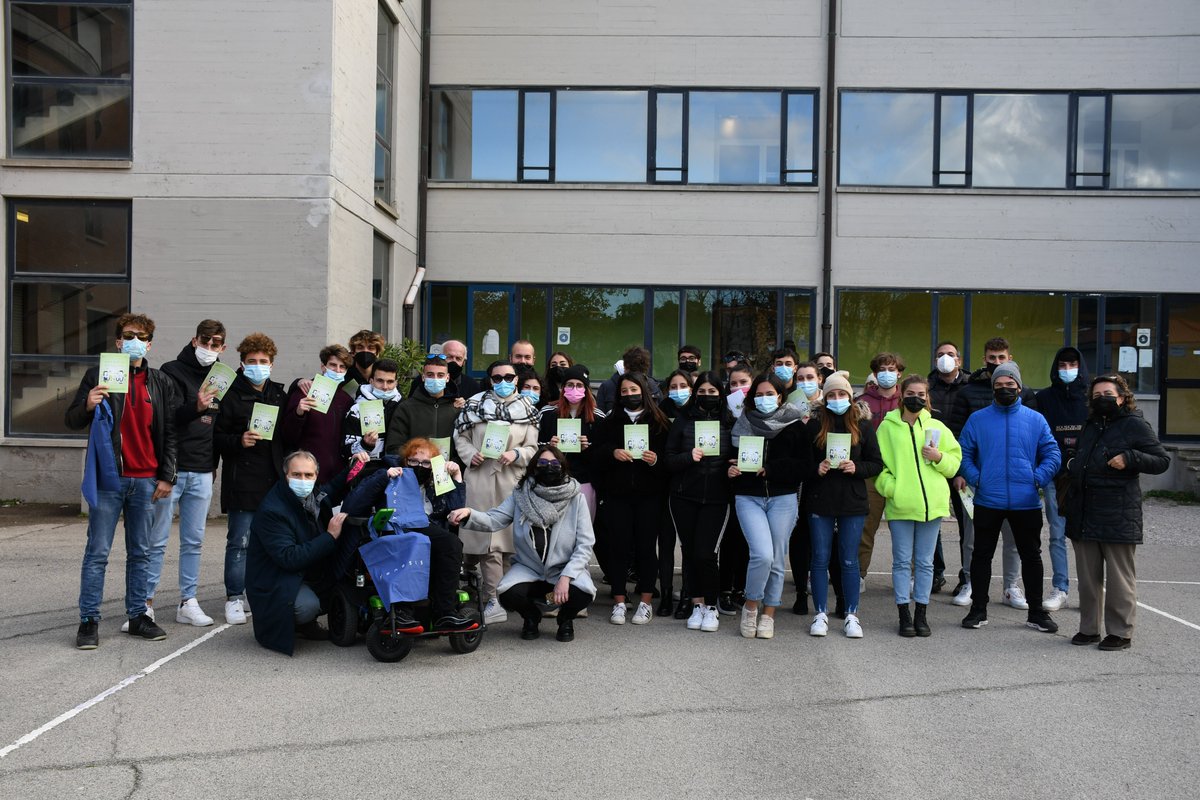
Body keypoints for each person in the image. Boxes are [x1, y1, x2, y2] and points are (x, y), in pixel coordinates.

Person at [69, 313, 179, 649]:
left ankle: (137, 616)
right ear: (118, 341)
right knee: (98, 552)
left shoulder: (159, 382)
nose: (134, 341)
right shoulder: (98, 375)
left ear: (149, 344)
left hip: (146, 480)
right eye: (128, 336)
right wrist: (88, 404)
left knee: (141, 552)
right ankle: (89, 621)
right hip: (108, 479)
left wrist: (167, 476)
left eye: (141, 336)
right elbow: (71, 419)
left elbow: (170, 432)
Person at [1061, 375, 1169, 651]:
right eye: (1096, 395)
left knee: (1120, 578)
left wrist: (1131, 458)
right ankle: (1089, 629)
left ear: (1121, 397)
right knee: (1087, 578)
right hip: (1085, 511)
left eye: (1107, 393)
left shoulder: (1134, 424)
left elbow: (1161, 460)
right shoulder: (1090, 425)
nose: (1102, 398)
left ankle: (1120, 632)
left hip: (1118, 512)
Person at [450, 445, 596, 643]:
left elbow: (585, 544)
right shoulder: (521, 495)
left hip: (563, 568)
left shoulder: (576, 498)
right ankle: (531, 617)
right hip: (530, 568)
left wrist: (566, 577)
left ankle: (565, 619)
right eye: (543, 463)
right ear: (534, 468)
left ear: (563, 467)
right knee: (507, 593)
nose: (549, 467)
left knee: (584, 591)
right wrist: (469, 514)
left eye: (554, 464)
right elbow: (495, 519)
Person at [958, 362, 1061, 633]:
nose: (1005, 389)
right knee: (981, 556)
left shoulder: (1035, 419)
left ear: (1019, 386)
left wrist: (1037, 478)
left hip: (1025, 501)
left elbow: (1052, 453)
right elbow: (963, 454)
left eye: (1010, 384)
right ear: (993, 388)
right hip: (987, 500)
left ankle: (1036, 612)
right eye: (999, 385)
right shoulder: (978, 419)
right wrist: (977, 478)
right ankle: (978, 609)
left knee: (1031, 557)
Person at [340, 439, 477, 634]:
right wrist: (384, 477)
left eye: (426, 463)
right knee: (414, 542)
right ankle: (402, 612)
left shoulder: (437, 479)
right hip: (393, 527)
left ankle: (444, 613)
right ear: (405, 461)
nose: (420, 466)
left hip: (427, 526)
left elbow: (455, 512)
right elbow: (351, 506)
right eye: (414, 461)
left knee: (452, 543)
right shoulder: (390, 474)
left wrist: (457, 477)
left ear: (434, 464)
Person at [146, 319, 225, 629]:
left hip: (204, 469)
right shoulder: (171, 370)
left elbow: (219, 426)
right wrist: (198, 406)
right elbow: (168, 417)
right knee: (157, 539)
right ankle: (145, 601)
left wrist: (215, 464)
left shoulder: (222, 376)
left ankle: (187, 601)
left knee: (194, 541)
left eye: (215, 342)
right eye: (204, 341)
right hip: (173, 468)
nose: (209, 347)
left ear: (223, 347)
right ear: (194, 340)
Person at [948, 337, 1033, 610]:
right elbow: (959, 437)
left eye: (1002, 357)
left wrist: (1036, 477)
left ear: (1010, 358)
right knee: (973, 539)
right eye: (992, 358)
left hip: (1018, 485)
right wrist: (963, 472)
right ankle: (970, 583)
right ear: (984, 359)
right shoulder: (967, 393)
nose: (997, 362)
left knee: (1013, 541)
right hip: (978, 483)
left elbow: (1036, 439)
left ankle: (1011, 586)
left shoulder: (1027, 395)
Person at [453, 359, 541, 624]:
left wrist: (516, 453)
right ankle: (494, 598)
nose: (503, 382)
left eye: (508, 377)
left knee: (509, 545)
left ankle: (502, 595)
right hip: (479, 479)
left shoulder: (528, 408)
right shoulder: (474, 404)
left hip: (511, 480)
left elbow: (534, 448)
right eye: (497, 377)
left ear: (517, 379)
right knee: (487, 541)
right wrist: (471, 455)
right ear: (490, 379)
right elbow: (460, 437)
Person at [875, 375, 962, 637]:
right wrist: (894, 489)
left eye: (922, 394)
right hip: (901, 505)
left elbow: (955, 462)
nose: (917, 398)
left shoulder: (937, 427)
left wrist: (939, 458)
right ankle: (904, 613)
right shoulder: (886, 428)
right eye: (911, 393)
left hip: (931, 506)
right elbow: (878, 467)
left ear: (927, 397)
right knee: (902, 562)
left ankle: (921, 614)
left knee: (925, 563)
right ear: (901, 395)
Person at [728, 373, 811, 640]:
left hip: (783, 498)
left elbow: (804, 466)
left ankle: (769, 613)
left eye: (770, 394)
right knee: (761, 554)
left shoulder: (796, 423)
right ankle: (751, 606)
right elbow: (733, 459)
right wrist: (730, 470)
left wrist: (772, 469)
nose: (764, 399)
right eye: (759, 395)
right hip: (748, 496)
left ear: (780, 395)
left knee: (776, 558)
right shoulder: (743, 422)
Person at [213, 332, 287, 625]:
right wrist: (237, 440)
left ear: (272, 364)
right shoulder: (229, 395)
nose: (259, 365)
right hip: (242, 478)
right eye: (252, 361)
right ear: (242, 363)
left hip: (274, 478)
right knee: (240, 541)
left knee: (270, 541)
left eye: (264, 361)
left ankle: (260, 593)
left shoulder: (279, 395)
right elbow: (215, 438)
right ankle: (234, 597)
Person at [244, 451, 349, 655]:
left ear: (316, 476)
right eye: (296, 474)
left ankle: (305, 621)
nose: (303, 480)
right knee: (307, 606)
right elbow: (289, 558)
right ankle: (291, 623)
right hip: (275, 581)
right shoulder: (273, 510)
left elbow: (333, 488)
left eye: (308, 475)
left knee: (344, 582)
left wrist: (356, 465)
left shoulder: (312, 497)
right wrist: (329, 537)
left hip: (300, 574)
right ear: (286, 476)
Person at [803, 371, 880, 639]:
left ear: (850, 396)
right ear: (825, 398)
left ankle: (851, 615)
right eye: (832, 395)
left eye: (842, 394)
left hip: (852, 501)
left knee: (849, 560)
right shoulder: (814, 425)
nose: (837, 399)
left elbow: (876, 463)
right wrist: (817, 468)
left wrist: (856, 467)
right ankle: (820, 614)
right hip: (820, 500)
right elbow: (802, 464)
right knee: (820, 558)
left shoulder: (864, 425)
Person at [592, 371, 671, 625]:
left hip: (650, 496)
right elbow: (597, 451)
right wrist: (612, 452)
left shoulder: (659, 422)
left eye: (634, 390)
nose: (630, 395)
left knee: (647, 548)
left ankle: (645, 602)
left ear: (644, 392)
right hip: (618, 496)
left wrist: (656, 460)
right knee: (619, 548)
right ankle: (618, 600)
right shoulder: (610, 421)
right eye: (624, 391)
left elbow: (669, 459)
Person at [665, 371, 734, 633]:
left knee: (707, 554)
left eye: (712, 392)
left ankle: (712, 607)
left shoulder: (730, 421)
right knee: (691, 553)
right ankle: (696, 605)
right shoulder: (683, 420)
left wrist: (733, 470)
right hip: (684, 495)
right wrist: (687, 457)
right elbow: (668, 458)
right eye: (702, 392)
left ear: (721, 393)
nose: (707, 396)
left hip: (717, 498)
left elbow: (739, 456)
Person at [1034, 346, 1090, 612]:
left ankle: (1089, 590)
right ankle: (1061, 588)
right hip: (1055, 477)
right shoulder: (1044, 398)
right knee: (1057, 534)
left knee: (1086, 537)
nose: (1067, 370)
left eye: (1072, 365)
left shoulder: (1091, 398)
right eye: (1063, 365)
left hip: (1087, 477)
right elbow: (1039, 438)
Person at [855, 351, 904, 593]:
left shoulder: (907, 400)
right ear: (874, 374)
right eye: (882, 370)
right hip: (871, 474)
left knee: (905, 527)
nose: (887, 374)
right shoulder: (862, 402)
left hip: (902, 474)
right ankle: (859, 574)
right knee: (866, 527)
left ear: (899, 373)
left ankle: (908, 575)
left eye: (891, 369)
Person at [787, 361, 832, 616]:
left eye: (810, 377)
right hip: (797, 484)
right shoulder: (789, 406)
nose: (805, 382)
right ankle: (801, 592)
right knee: (799, 537)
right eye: (801, 377)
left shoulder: (830, 407)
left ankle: (823, 584)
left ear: (820, 379)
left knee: (822, 538)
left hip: (822, 482)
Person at [928, 341, 969, 596]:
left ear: (960, 360)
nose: (945, 358)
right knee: (932, 519)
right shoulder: (927, 387)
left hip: (959, 464)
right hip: (930, 461)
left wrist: (964, 468)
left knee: (967, 523)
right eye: (941, 354)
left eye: (951, 354)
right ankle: (934, 573)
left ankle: (967, 575)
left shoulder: (970, 387)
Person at [279, 344, 355, 482]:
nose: (337, 370)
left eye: (342, 367)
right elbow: (287, 435)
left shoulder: (346, 399)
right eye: (333, 365)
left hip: (336, 476)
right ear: (323, 366)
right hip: (307, 473)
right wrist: (298, 413)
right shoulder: (304, 391)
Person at [538, 365, 604, 520]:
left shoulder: (598, 417)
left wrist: (588, 447)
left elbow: (603, 453)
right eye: (570, 385)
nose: (574, 389)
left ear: (586, 389)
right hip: (553, 482)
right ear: (563, 388)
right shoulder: (548, 414)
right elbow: (536, 445)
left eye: (579, 385)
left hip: (584, 482)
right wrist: (549, 446)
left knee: (583, 527)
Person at [717, 361, 754, 615]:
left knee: (748, 541)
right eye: (733, 384)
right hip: (730, 482)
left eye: (743, 383)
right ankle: (725, 589)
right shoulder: (724, 412)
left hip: (754, 483)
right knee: (730, 539)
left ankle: (742, 588)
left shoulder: (760, 410)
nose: (738, 388)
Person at [388, 355, 462, 465]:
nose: (435, 379)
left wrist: (454, 464)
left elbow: (463, 445)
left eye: (440, 375)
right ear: (423, 377)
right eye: (430, 375)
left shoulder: (457, 408)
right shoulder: (406, 408)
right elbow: (394, 446)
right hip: (414, 472)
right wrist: (412, 464)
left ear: (447, 378)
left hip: (448, 473)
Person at [343, 357, 404, 461]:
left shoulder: (403, 406)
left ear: (396, 383)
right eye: (380, 381)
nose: (385, 387)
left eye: (390, 382)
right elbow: (346, 450)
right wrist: (364, 444)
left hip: (397, 470)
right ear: (371, 381)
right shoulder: (357, 409)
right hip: (366, 470)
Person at [596, 346, 660, 413]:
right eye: (624, 391)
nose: (629, 394)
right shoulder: (608, 386)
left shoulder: (653, 386)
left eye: (634, 389)